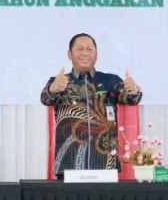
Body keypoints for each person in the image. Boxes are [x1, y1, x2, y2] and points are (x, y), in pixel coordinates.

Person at [41, 33, 142, 176]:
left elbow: (131, 99)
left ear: (96, 54)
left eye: (89, 49)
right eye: (79, 49)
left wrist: (133, 90)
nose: (85, 53)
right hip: (68, 165)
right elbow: (45, 99)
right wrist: (53, 89)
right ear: (69, 54)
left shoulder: (110, 80)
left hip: (106, 165)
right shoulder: (59, 81)